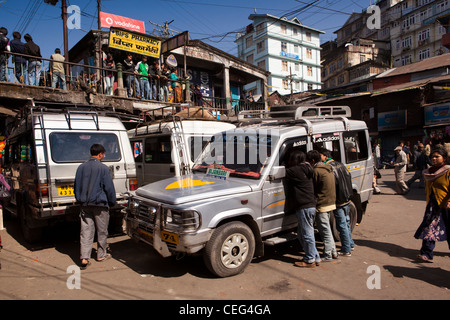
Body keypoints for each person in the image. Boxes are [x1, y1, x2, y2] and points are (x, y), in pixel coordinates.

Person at [74, 144, 116, 269]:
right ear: (100, 154)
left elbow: (76, 186)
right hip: (100, 205)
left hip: (85, 204)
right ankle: (101, 254)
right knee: (102, 230)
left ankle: (84, 257)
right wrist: (112, 202)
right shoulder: (103, 168)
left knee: (86, 230)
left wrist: (80, 199)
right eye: (103, 154)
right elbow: (109, 188)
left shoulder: (81, 167)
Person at [285, 150, 320, 268]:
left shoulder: (296, 170)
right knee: (302, 233)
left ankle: (310, 259)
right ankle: (316, 257)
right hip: (310, 205)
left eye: (291, 159)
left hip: (304, 206)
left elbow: (281, 172)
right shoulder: (307, 168)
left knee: (307, 234)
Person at [414, 146, 450, 263]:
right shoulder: (429, 172)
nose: (434, 159)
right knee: (429, 228)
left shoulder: (448, 171)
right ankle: (426, 253)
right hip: (432, 205)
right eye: (432, 157)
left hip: (446, 205)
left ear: (444, 158)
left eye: (437, 157)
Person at [319, 148, 355, 256]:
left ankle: (346, 249)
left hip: (338, 200)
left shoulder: (329, 167)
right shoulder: (340, 164)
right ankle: (350, 244)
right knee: (347, 222)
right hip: (347, 198)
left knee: (342, 225)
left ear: (325, 156)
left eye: (320, 155)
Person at [307, 150, 339, 261]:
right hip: (330, 201)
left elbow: (313, 187)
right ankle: (334, 252)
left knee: (325, 231)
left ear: (312, 160)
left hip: (322, 203)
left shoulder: (316, 171)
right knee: (328, 229)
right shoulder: (327, 167)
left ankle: (328, 255)